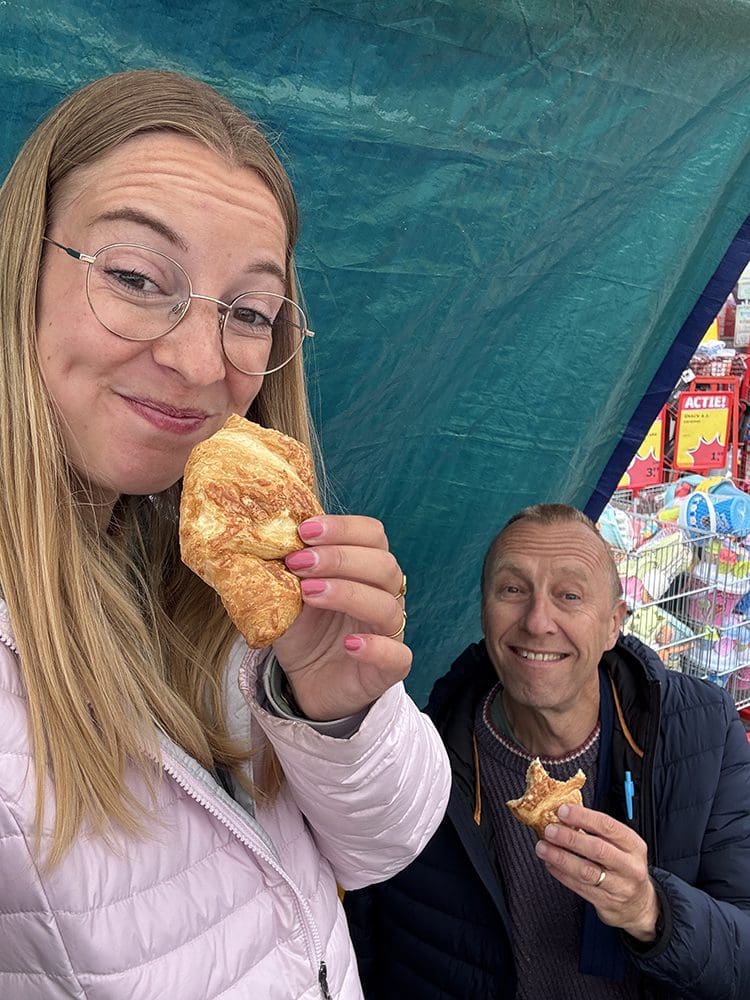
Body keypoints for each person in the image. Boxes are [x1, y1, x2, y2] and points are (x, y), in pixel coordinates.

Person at [0, 69, 450, 999]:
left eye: (248, 313)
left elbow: (384, 844)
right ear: (18, 272)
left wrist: (333, 707)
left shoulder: (228, 571)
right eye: (135, 277)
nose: (200, 362)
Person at [344, 503, 750, 999]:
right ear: (484, 612)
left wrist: (651, 909)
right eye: (512, 590)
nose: (538, 622)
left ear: (613, 624)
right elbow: (362, 950)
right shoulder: (419, 762)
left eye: (569, 595)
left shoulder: (701, 731)